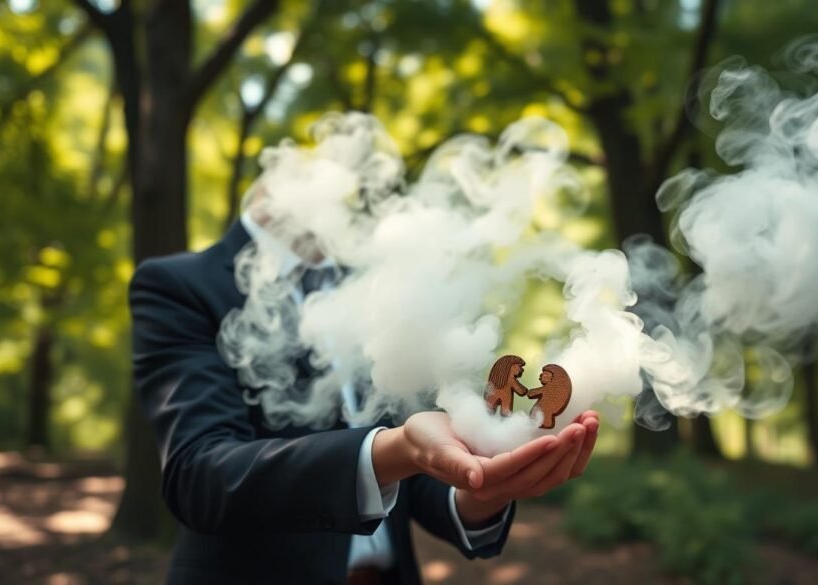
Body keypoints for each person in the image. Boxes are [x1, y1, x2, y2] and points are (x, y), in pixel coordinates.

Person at [128, 205, 600, 584]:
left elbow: (422, 472)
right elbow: (200, 473)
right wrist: (392, 450)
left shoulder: (375, 284)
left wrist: (485, 489)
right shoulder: (181, 284)